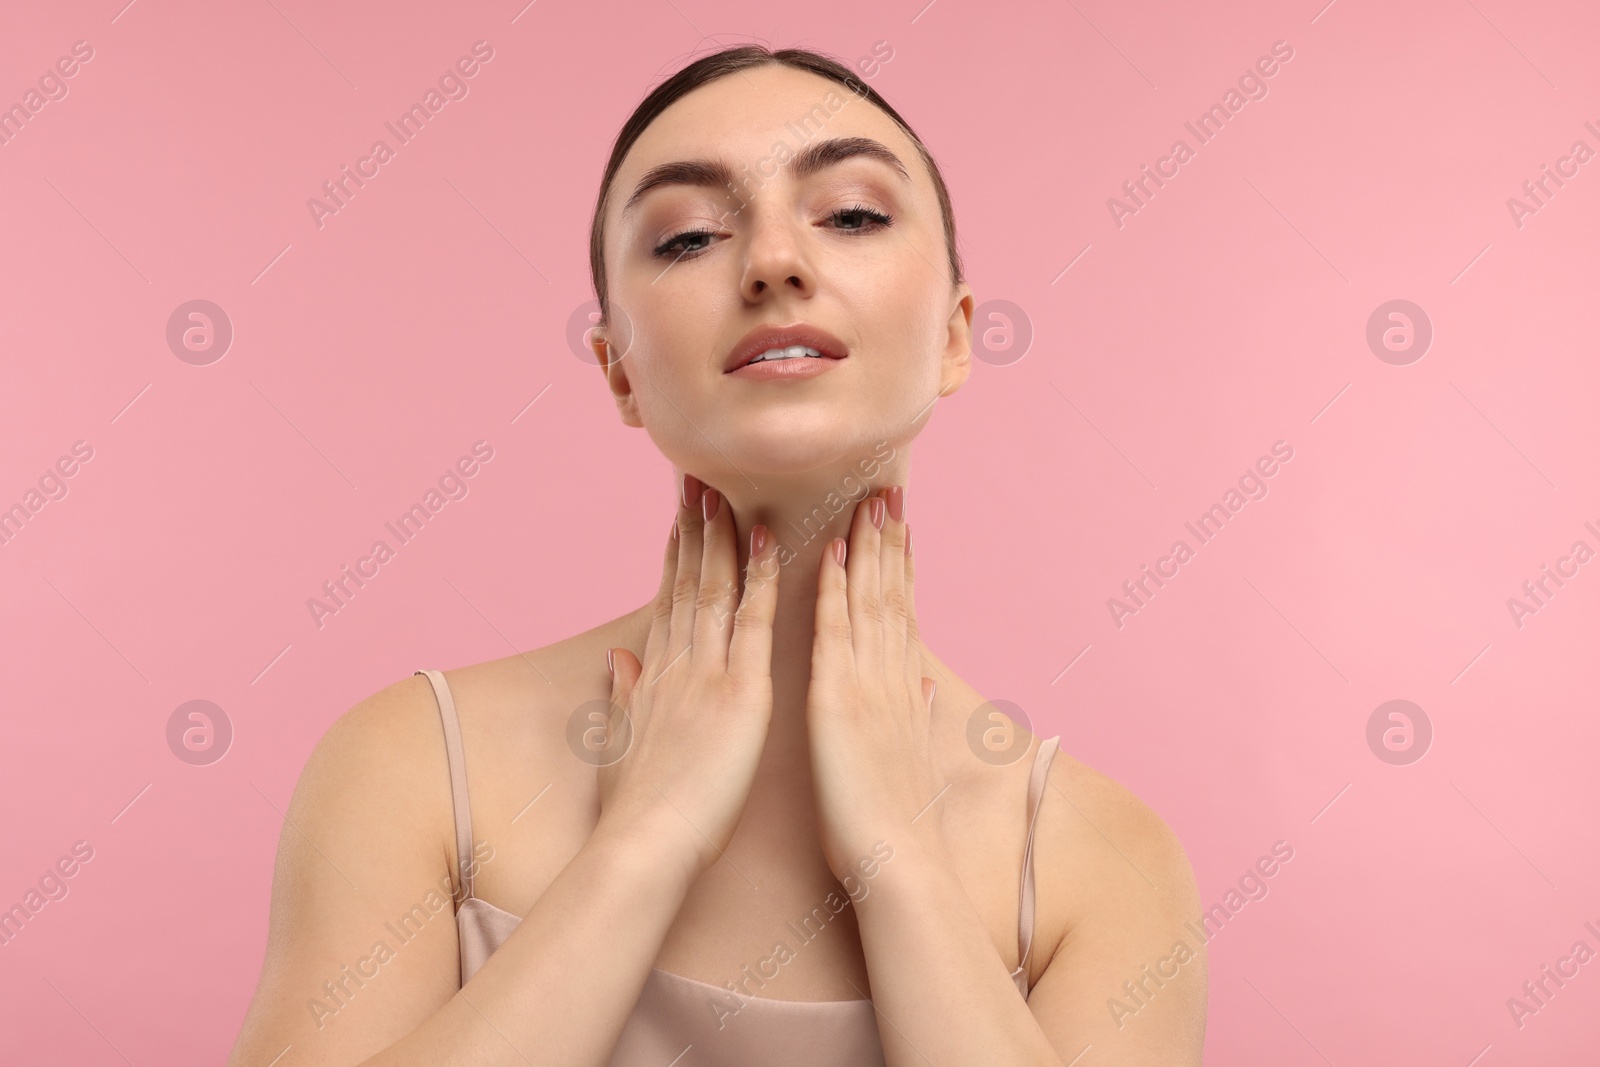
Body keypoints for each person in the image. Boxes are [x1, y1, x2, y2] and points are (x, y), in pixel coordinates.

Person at [226, 44, 1207, 1066]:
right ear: (619, 371)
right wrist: (642, 845)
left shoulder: (1104, 865)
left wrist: (898, 861)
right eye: (689, 235)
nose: (774, 263)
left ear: (957, 333)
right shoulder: (417, 766)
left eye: (853, 214)